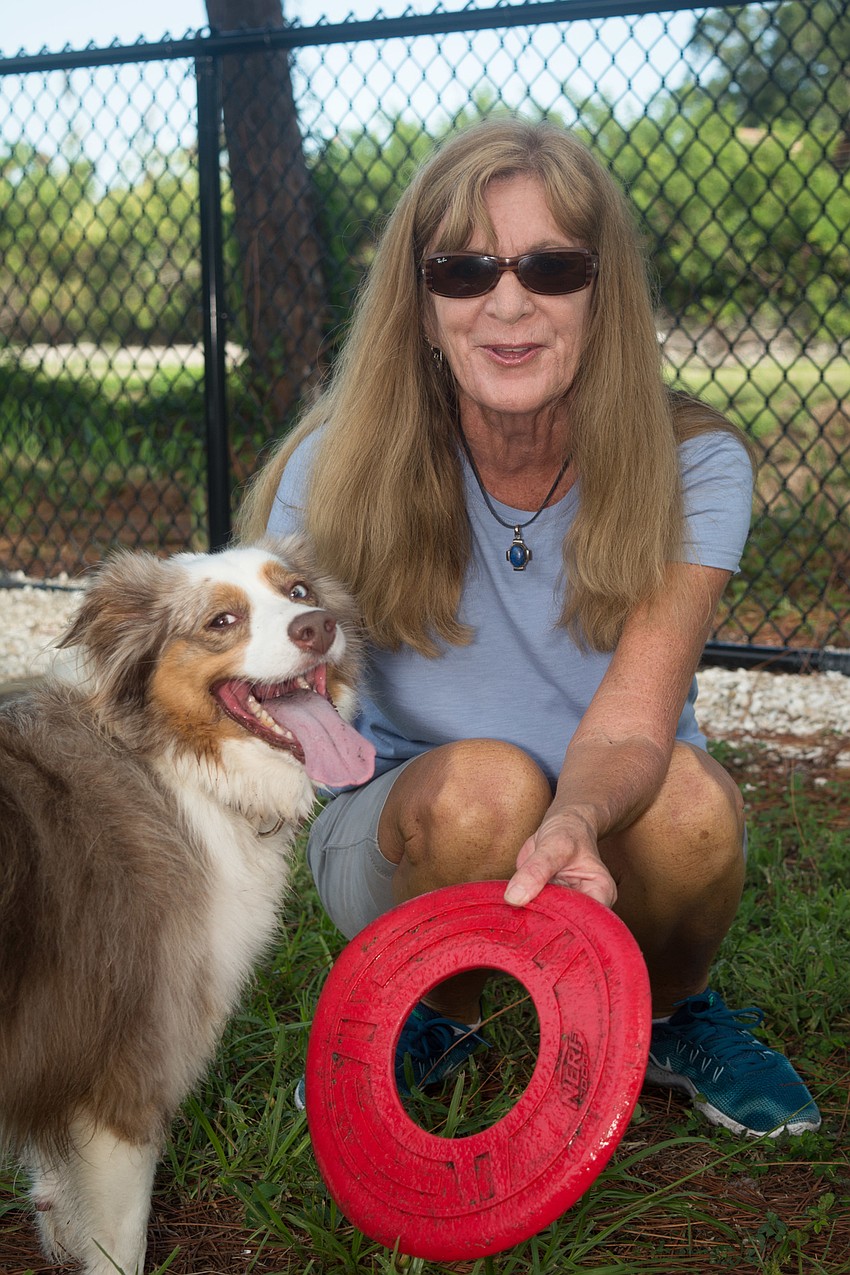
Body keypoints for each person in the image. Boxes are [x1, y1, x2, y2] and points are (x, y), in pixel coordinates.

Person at [237, 117, 820, 1138]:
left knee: (692, 804)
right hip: (415, 818)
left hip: (618, 808)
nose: (508, 303)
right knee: (483, 787)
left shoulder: (695, 463)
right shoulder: (336, 468)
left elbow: (636, 725)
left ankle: (670, 1013)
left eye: (551, 267)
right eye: (463, 270)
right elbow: (270, 688)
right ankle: (436, 1015)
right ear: (422, 305)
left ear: (602, 294)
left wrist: (576, 820)